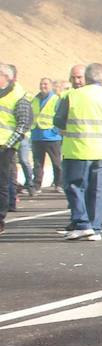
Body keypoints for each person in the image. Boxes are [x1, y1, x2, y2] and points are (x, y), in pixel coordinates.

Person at [53, 63, 102, 241]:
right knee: (99, 191)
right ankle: (95, 228)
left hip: (77, 151)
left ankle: (82, 223)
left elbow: (59, 121)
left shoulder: (72, 96)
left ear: (87, 77)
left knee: (75, 187)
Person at [0, 65, 33, 232]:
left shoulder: (18, 97)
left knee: (2, 184)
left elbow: (23, 124)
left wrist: (8, 144)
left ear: (7, 77)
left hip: (5, 147)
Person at [30, 76, 62, 192]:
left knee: (56, 163)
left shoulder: (56, 99)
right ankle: (37, 185)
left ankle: (59, 183)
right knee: (38, 163)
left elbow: (60, 116)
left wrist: (56, 130)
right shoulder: (35, 99)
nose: (43, 86)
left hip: (51, 136)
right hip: (37, 135)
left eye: (45, 84)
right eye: (41, 84)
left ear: (51, 86)